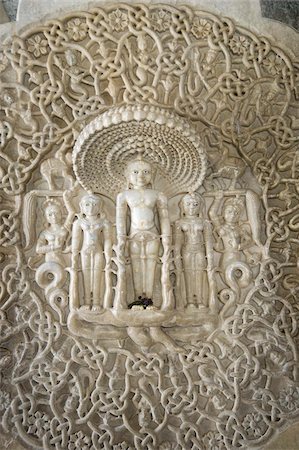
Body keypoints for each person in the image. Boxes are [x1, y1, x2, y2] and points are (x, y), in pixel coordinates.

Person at [115, 156, 173, 309]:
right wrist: (121, 238)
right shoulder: (124, 195)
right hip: (134, 235)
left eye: (146, 172)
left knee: (151, 265)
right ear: (128, 175)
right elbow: (120, 219)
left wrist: (166, 239)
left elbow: (164, 218)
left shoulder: (157, 195)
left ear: (152, 175)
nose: (140, 176)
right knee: (136, 266)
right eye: (135, 172)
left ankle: (150, 298)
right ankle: (138, 298)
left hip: (152, 234)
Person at [71, 194, 112, 310]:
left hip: (98, 251)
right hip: (85, 251)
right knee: (86, 275)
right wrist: (74, 256)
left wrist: (108, 257)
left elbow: (108, 241)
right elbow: (76, 240)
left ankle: (97, 303)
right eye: (87, 205)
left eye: (94, 205)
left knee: (97, 275)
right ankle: (86, 302)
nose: (91, 208)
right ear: (82, 207)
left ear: (100, 207)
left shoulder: (104, 223)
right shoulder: (79, 223)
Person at [174, 192, 214, 308]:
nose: (191, 207)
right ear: (183, 206)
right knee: (188, 274)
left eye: (195, 204)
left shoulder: (204, 223)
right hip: (187, 250)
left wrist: (210, 258)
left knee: (199, 274)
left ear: (200, 206)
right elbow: (177, 244)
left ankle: (200, 301)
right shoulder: (179, 223)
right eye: (189, 204)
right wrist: (176, 259)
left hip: (200, 250)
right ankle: (190, 301)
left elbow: (208, 242)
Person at [36, 198, 68, 266]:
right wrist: (53, 247)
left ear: (61, 213)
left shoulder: (66, 228)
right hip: (49, 260)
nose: (54, 216)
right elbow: (38, 249)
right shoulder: (45, 233)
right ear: (45, 217)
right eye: (50, 214)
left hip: (62, 258)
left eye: (56, 213)